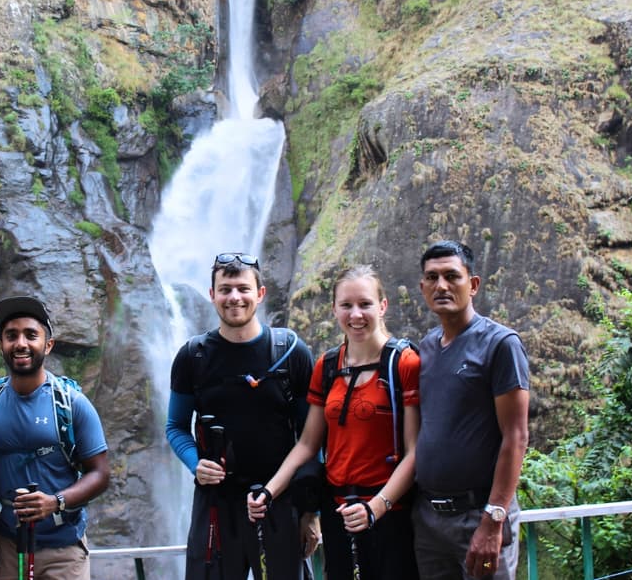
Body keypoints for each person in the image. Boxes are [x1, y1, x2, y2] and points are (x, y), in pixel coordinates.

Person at [248, 264, 421, 579]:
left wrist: (375, 508)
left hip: (390, 513)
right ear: (334, 309)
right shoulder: (327, 366)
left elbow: (415, 451)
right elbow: (308, 443)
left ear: (382, 306)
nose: (356, 314)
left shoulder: (404, 364)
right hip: (338, 511)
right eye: (346, 305)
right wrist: (269, 492)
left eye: (365, 304)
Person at [166, 252, 318, 580]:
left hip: (278, 498)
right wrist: (196, 463)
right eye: (225, 289)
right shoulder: (193, 356)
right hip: (216, 503)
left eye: (243, 288)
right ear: (212, 295)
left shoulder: (292, 352)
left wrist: (311, 511)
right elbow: (176, 426)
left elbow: (312, 438)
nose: (234, 297)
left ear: (260, 294)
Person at [412, 240, 530, 580]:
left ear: (473, 284)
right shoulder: (428, 347)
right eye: (432, 278)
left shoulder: (501, 344)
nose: (441, 286)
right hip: (429, 520)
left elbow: (517, 437)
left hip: (479, 516)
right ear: (422, 287)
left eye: (452, 276)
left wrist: (493, 521)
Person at [0, 295, 110, 579]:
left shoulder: (72, 404)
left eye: (30, 335)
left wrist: (55, 501)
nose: (20, 343)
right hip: (5, 546)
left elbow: (101, 474)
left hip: (64, 548)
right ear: (1, 344)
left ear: (48, 345)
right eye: (11, 335)